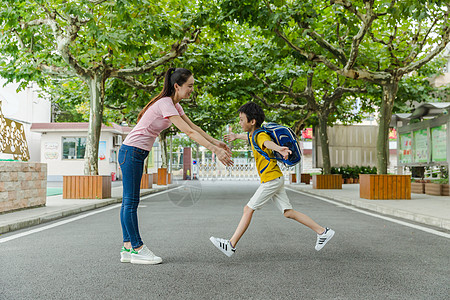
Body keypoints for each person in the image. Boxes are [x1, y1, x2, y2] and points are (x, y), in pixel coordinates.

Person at [119, 68, 233, 265]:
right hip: (131, 151)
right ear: (177, 86)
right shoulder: (165, 104)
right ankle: (137, 248)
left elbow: (195, 127)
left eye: (193, 86)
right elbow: (188, 132)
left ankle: (127, 247)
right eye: (189, 86)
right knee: (130, 202)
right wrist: (214, 150)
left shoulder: (175, 105)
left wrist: (217, 142)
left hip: (136, 152)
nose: (192, 90)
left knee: (129, 202)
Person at [210, 102, 334, 257]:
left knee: (248, 209)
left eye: (242, 119)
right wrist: (236, 136)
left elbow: (265, 142)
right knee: (288, 212)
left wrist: (278, 148)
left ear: (252, 121)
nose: (240, 122)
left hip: (271, 180)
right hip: (275, 178)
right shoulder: (255, 133)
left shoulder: (260, 135)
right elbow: (250, 137)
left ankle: (231, 244)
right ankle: (323, 232)